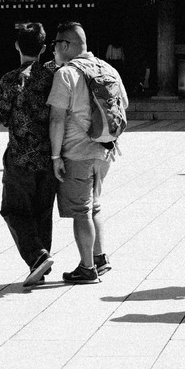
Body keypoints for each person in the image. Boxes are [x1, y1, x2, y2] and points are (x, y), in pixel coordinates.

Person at [49, 22, 129, 284]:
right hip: (104, 150)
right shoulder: (108, 68)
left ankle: (86, 268)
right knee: (94, 206)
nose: (54, 51)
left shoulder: (67, 74)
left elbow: (57, 119)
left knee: (81, 211)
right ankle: (100, 258)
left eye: (56, 45)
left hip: (77, 151)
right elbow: (124, 104)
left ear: (64, 45)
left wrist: (55, 157)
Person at [0, 23, 61, 288]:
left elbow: (0, 116)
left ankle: (37, 257)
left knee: (13, 209)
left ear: (17, 46)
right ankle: (40, 267)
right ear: (44, 48)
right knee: (42, 211)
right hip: (50, 154)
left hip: (20, 155)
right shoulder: (55, 75)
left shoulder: (11, 79)